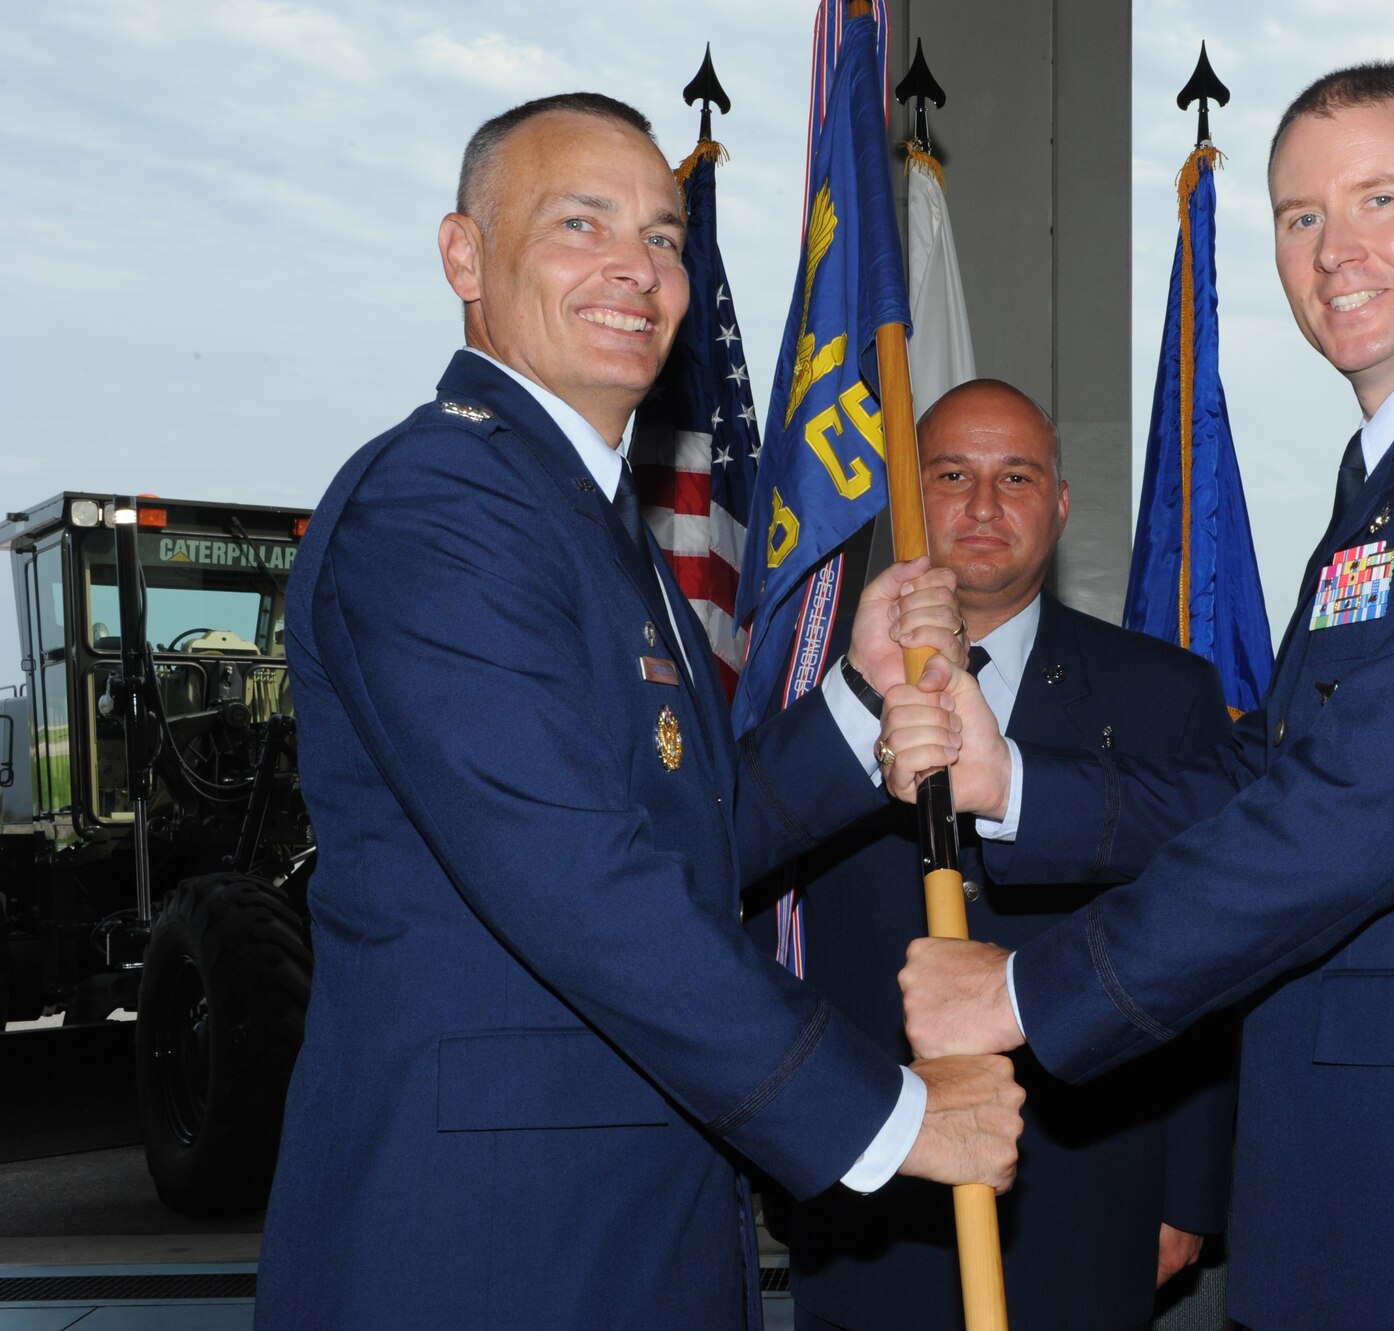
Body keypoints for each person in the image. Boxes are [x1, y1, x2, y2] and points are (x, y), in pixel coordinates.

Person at [887, 62, 1394, 1329]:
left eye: (1379, 198)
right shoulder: (1387, 478)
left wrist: (1018, 994)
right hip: (1346, 1179)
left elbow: (1348, 811)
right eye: (1297, 217)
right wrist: (1019, 785)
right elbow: (1270, 775)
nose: (1335, 250)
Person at [254, 93, 1023, 1330]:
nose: (638, 268)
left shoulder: (584, 518)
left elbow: (681, 829)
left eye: (664, 236)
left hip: (626, 1226)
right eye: (580, 222)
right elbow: (576, 878)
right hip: (491, 1248)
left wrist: (858, 695)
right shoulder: (442, 503)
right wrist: (888, 1113)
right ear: (465, 255)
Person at [775, 380, 1235, 1331]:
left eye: (1016, 476)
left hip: (1087, 1189)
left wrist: (1189, 1189)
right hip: (870, 1184)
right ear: (910, 497)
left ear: (1061, 503)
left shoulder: (1169, 699)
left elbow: (1215, 957)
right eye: (952, 474)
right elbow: (773, 940)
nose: (984, 506)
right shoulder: (818, 701)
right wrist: (794, 1144)